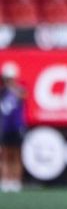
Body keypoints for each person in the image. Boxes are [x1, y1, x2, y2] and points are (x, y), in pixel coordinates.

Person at [0, 61, 26, 193]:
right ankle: (5, 180)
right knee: (4, 155)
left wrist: (12, 87)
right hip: (4, 128)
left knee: (16, 155)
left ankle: (16, 181)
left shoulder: (19, 90)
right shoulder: (2, 92)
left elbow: (24, 96)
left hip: (16, 127)